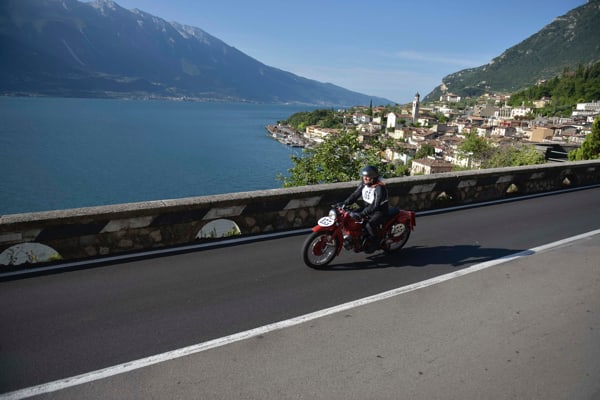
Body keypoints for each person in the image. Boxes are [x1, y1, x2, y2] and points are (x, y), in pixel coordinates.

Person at [343, 165, 389, 253]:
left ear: (373, 178)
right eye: (364, 177)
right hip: (367, 208)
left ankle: (376, 242)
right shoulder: (364, 184)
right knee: (351, 216)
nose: (365, 178)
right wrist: (344, 203)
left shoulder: (379, 188)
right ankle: (356, 237)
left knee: (369, 225)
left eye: (367, 177)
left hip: (379, 211)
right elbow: (355, 195)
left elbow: (375, 205)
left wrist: (362, 214)